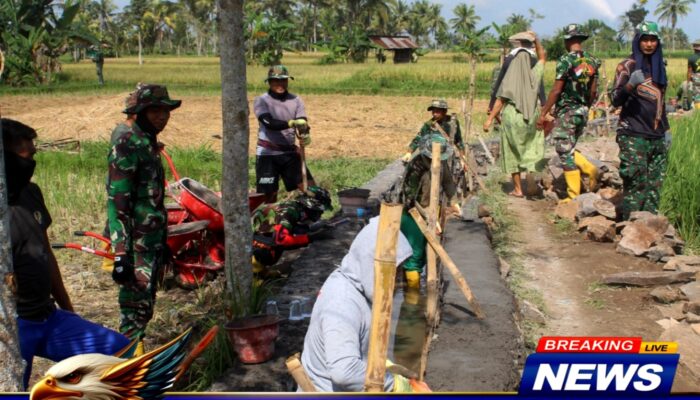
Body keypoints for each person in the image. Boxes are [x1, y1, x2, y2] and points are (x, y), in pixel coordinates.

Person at [3, 118, 129, 389]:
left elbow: (45, 253)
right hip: (12, 328)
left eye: (33, 155)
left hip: (47, 317)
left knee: (121, 353)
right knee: (13, 388)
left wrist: (69, 311)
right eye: (24, 157)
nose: (30, 165)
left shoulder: (31, 193)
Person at [300, 217, 429, 392]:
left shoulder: (357, 285)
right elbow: (344, 372)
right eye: (395, 271)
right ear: (372, 264)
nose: (398, 279)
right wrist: (395, 385)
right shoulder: (342, 303)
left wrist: (385, 365)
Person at [106, 83, 181, 344]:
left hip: (151, 242)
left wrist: (163, 243)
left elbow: (152, 201)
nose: (162, 116)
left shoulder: (148, 143)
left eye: (166, 110)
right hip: (135, 247)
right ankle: (127, 369)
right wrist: (120, 254)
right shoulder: (127, 144)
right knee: (134, 311)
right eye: (155, 111)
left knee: (145, 308)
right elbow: (118, 202)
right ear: (140, 112)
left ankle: (134, 359)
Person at [398, 99, 462, 290]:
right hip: (412, 214)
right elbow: (408, 197)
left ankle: (419, 281)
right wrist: (427, 216)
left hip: (431, 209)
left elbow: (449, 184)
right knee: (415, 253)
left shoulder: (441, 163)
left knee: (428, 252)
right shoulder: (416, 167)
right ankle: (412, 293)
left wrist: (455, 203)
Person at [609, 21, 669, 220]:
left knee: (654, 186)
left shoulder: (660, 67)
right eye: (645, 40)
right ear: (638, 41)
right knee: (636, 182)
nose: (649, 44)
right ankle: (629, 226)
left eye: (653, 40)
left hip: (657, 135)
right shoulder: (627, 66)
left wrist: (666, 130)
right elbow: (615, 100)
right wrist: (629, 86)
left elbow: (661, 101)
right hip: (633, 133)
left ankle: (649, 229)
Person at [537, 24, 601, 203]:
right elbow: (594, 90)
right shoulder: (593, 60)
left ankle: (575, 194)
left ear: (568, 41)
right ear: (580, 40)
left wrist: (544, 112)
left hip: (568, 111)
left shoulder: (565, 61)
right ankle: (588, 171)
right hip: (582, 111)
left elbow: (557, 90)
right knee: (569, 147)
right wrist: (586, 106)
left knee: (563, 149)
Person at [484, 31, 546, 198]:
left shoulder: (511, 78)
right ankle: (531, 180)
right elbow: (542, 57)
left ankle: (518, 189)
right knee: (530, 148)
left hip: (513, 116)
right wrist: (536, 40)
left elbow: (501, 100)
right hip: (532, 115)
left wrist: (489, 119)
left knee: (512, 152)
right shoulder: (535, 72)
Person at [254, 65, 313, 204]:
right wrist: (290, 123)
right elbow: (269, 122)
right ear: (269, 82)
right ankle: (266, 225)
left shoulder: (296, 100)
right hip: (268, 155)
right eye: (275, 81)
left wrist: (305, 132)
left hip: (290, 154)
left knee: (310, 189)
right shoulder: (261, 101)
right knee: (268, 196)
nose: (280, 84)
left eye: (283, 80)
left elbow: (302, 121)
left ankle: (309, 221)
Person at [251, 186, 333, 275]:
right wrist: (311, 238)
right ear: (311, 206)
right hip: (255, 248)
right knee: (273, 250)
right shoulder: (289, 211)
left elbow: (294, 229)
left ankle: (260, 271)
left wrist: (314, 228)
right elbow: (282, 240)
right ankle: (256, 273)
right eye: (319, 211)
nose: (320, 215)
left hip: (257, 240)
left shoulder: (295, 207)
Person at [687, 39, 700, 109]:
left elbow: (689, 71)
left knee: (697, 95)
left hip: (696, 79)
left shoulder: (691, 58)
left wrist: (688, 82)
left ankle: (698, 111)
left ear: (694, 48)